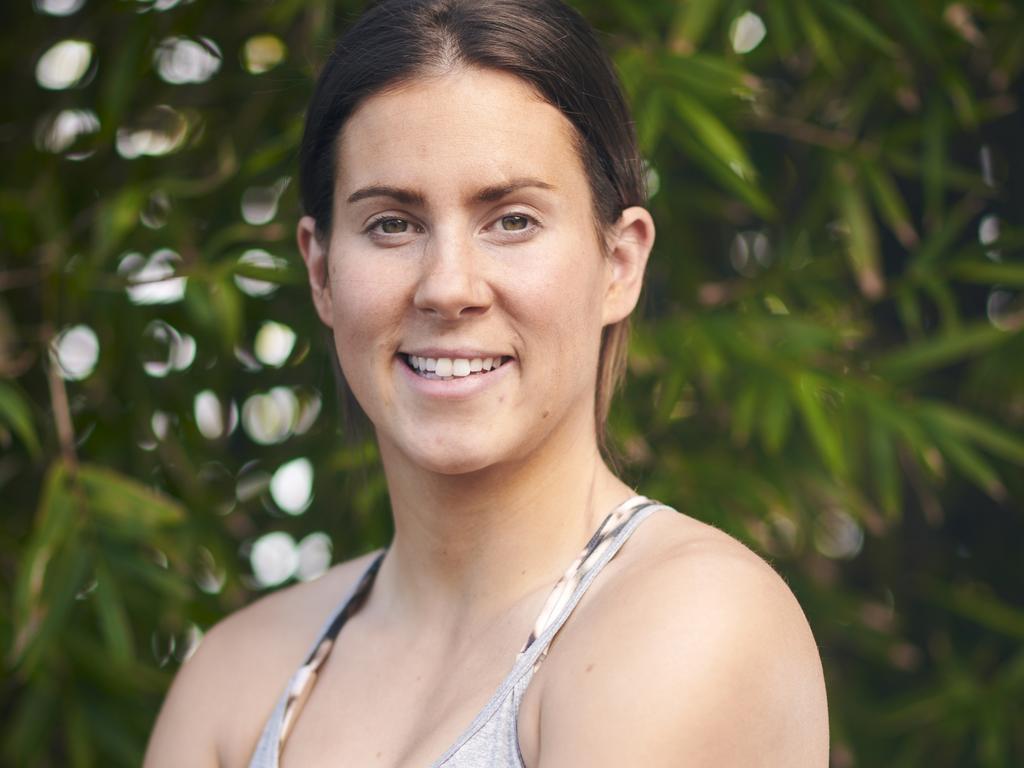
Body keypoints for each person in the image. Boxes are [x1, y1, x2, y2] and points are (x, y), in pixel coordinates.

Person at [144, 0, 829, 765]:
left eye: (512, 220)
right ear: (320, 271)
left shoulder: (693, 620)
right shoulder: (237, 675)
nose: (448, 287)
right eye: (392, 224)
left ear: (620, 264)